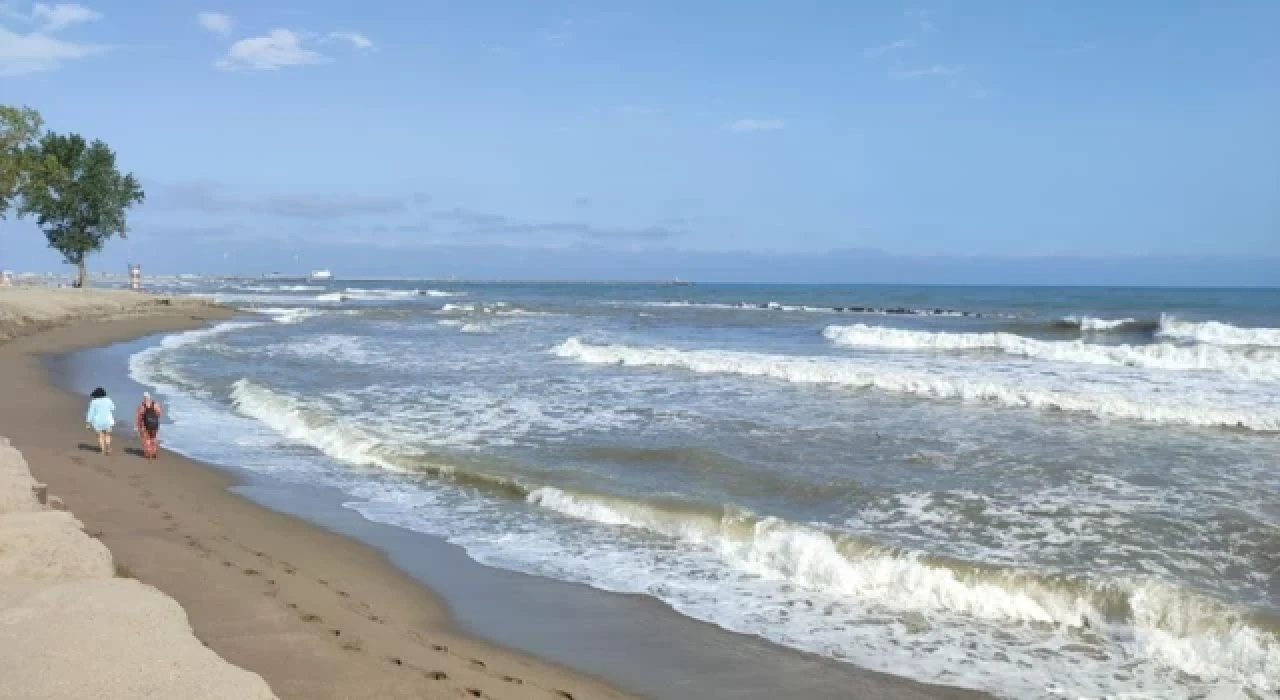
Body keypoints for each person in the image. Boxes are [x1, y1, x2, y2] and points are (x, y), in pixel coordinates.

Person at [85, 387, 116, 455]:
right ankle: (108, 447)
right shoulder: (108, 400)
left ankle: (102, 450)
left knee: (100, 436)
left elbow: (91, 412)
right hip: (108, 420)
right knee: (107, 435)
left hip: (98, 421)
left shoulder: (94, 402)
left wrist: (88, 422)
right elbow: (113, 408)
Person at [135, 392, 163, 459]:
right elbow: (159, 414)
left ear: (144, 398)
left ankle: (148, 453)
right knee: (153, 437)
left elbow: (139, 417)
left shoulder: (142, 406)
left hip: (145, 425)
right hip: (154, 424)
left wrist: (138, 426)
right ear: (150, 397)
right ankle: (154, 452)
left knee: (147, 438)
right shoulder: (156, 404)